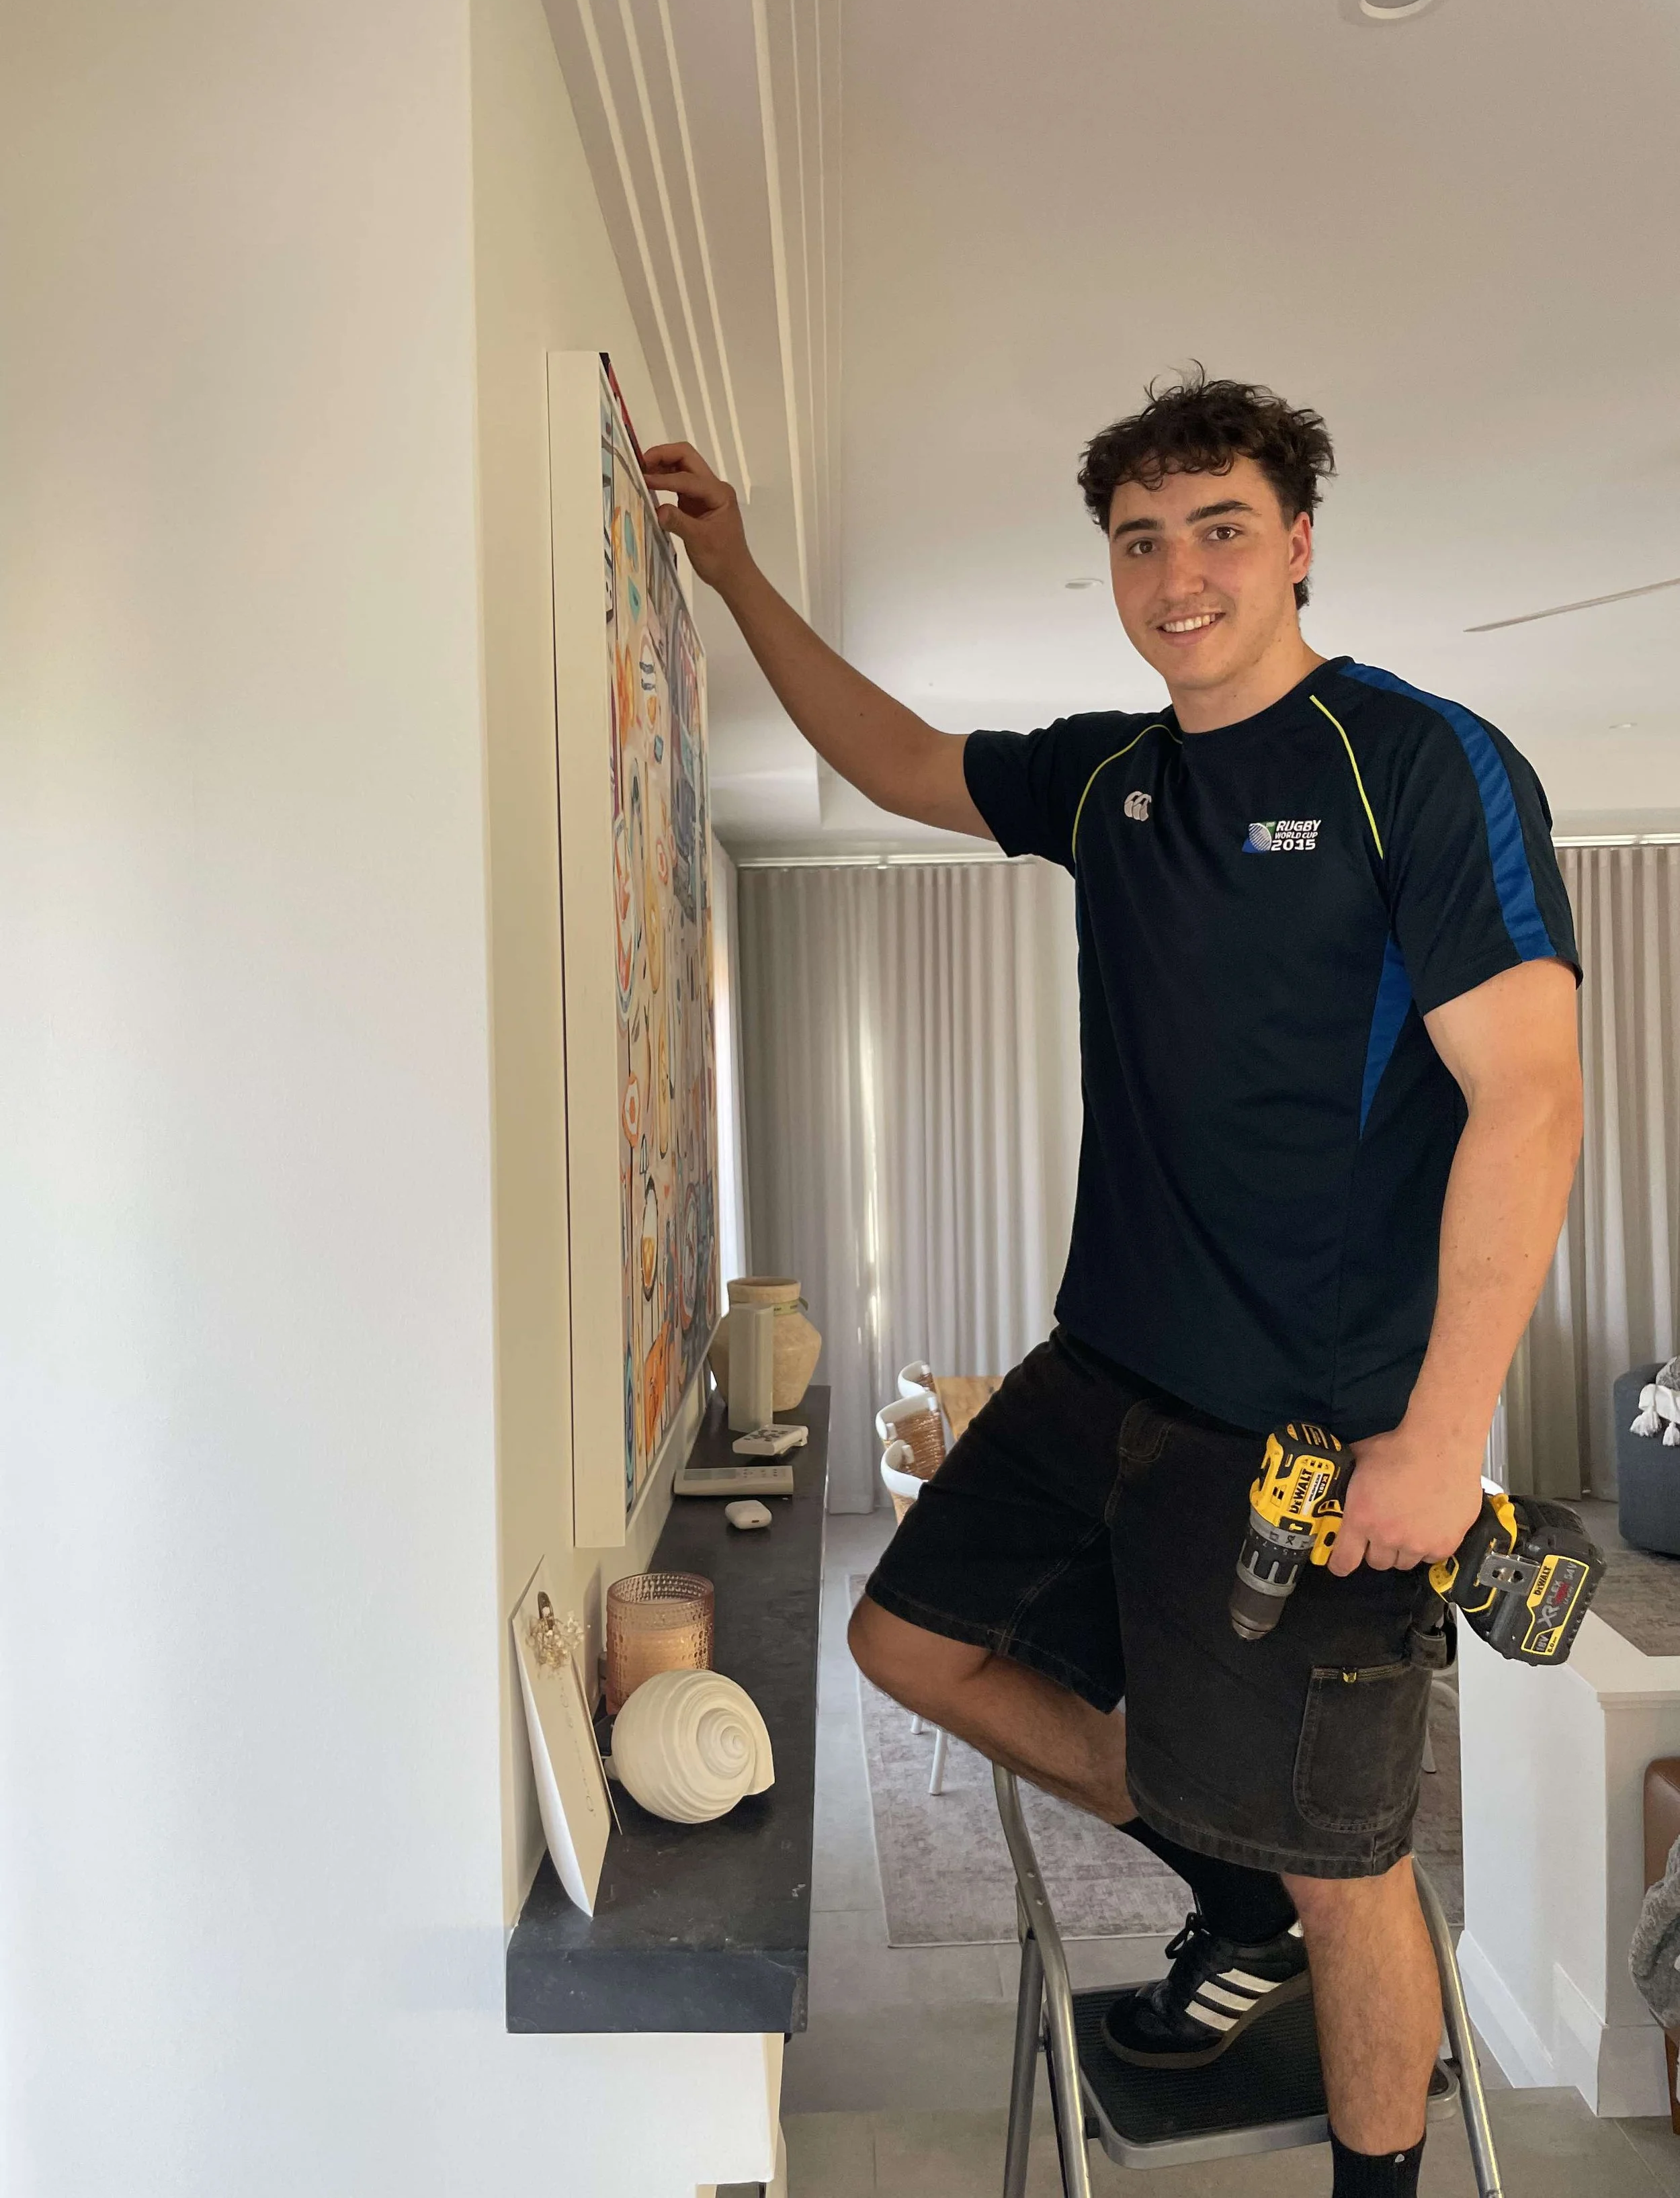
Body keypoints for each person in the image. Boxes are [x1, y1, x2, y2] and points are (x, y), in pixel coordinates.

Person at [643, 372, 1582, 2198]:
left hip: (1315, 1431)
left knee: (1350, 1860)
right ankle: (1222, 1891)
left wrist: (1440, 1433)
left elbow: (1528, 1099)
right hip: (1108, 1371)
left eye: (1218, 526)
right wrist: (737, 573)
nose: (1177, 573)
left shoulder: (1410, 761)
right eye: (1139, 540)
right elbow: (899, 761)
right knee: (902, 1639)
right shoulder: (1111, 777)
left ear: (1297, 540)